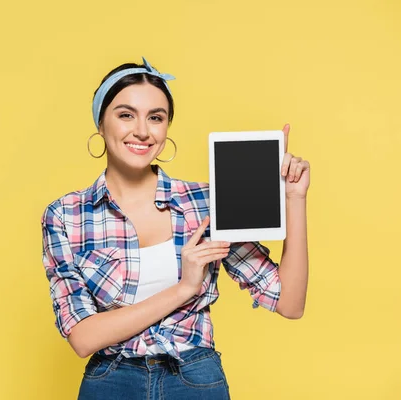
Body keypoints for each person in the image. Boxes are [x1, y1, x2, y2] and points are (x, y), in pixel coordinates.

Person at [40, 57, 310, 400]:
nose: (142, 130)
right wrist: (185, 288)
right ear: (100, 123)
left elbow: (289, 302)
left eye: (156, 117)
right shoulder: (66, 215)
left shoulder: (206, 203)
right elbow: (82, 337)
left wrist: (294, 198)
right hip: (111, 381)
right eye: (126, 115)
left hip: (195, 378)